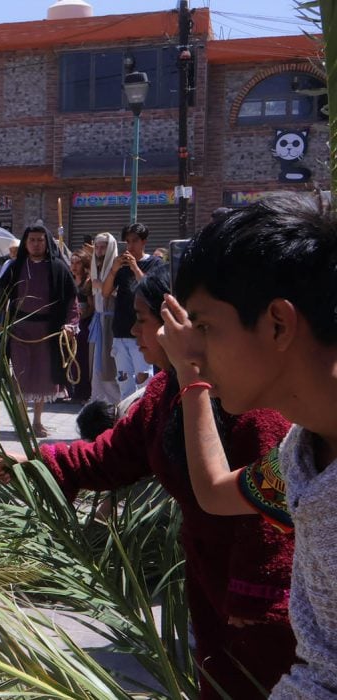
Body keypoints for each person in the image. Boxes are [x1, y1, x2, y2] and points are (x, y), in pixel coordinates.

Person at [0, 268, 296, 700]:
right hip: (209, 583)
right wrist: (38, 464)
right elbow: (112, 455)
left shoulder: (243, 396)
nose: (133, 329)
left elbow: (271, 510)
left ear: (177, 321)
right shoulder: (162, 393)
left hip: (257, 603)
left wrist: (254, 596)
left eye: (141, 318)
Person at [156, 193, 337, 699]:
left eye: (206, 326)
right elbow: (216, 492)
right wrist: (190, 376)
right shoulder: (304, 457)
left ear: (278, 323)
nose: (194, 347)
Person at [0, 224, 79, 437]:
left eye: (40, 240)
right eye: (31, 240)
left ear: (46, 241)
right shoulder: (15, 267)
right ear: (25, 242)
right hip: (19, 330)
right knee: (21, 375)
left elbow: (72, 301)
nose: (36, 244)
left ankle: (37, 422)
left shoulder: (58, 267)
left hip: (48, 331)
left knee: (43, 377)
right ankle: (21, 423)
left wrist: (71, 324)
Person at [102, 222, 163, 398]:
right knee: (124, 381)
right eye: (127, 242)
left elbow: (149, 289)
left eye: (134, 241)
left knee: (144, 380)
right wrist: (114, 270)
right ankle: (126, 417)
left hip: (142, 334)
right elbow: (105, 293)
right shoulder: (120, 267)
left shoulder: (154, 263)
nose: (130, 246)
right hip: (121, 331)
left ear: (144, 242)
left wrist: (135, 267)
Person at [88, 232, 120, 404]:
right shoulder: (96, 268)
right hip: (99, 319)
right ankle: (98, 400)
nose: (99, 251)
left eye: (103, 247)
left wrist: (102, 286)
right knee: (97, 365)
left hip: (111, 322)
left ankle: (115, 402)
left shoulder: (118, 267)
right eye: (97, 247)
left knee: (109, 365)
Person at [69, 248, 94, 402]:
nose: (74, 266)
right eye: (72, 262)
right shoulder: (70, 281)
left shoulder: (87, 283)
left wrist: (81, 316)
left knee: (82, 359)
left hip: (85, 324)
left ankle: (83, 392)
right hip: (72, 323)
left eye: (77, 263)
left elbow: (92, 306)